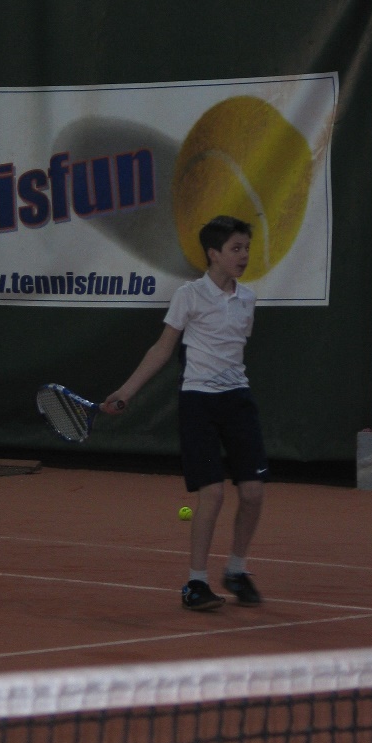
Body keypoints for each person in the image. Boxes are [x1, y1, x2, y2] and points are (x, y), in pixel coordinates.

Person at [102, 215, 268, 611]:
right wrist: (127, 391)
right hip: (198, 402)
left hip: (238, 400)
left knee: (253, 492)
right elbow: (162, 349)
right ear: (213, 254)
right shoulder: (189, 295)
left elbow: (235, 349)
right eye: (235, 249)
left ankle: (236, 570)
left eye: (246, 248)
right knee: (212, 493)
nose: (244, 256)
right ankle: (195, 583)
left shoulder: (247, 300)